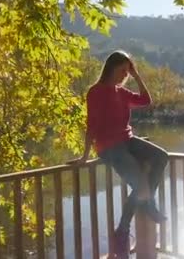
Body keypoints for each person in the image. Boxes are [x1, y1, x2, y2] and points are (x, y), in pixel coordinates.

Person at [69, 50, 168, 257]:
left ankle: (147, 204)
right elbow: (92, 125)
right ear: (112, 67)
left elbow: (146, 100)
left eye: (128, 71)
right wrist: (86, 156)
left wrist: (137, 75)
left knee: (161, 156)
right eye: (123, 70)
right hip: (109, 146)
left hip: (127, 140)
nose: (126, 74)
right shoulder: (95, 92)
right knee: (140, 184)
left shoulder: (121, 92)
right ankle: (124, 230)